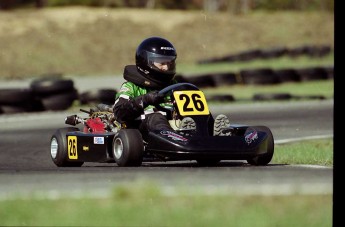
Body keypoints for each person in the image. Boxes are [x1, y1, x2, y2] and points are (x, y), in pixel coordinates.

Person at [112, 36, 230, 139]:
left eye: (169, 63)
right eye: (162, 63)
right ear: (146, 63)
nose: (166, 68)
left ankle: (213, 133)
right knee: (156, 116)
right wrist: (145, 99)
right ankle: (179, 136)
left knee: (195, 113)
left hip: (176, 125)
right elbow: (119, 113)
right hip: (144, 130)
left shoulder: (173, 85)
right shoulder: (131, 86)